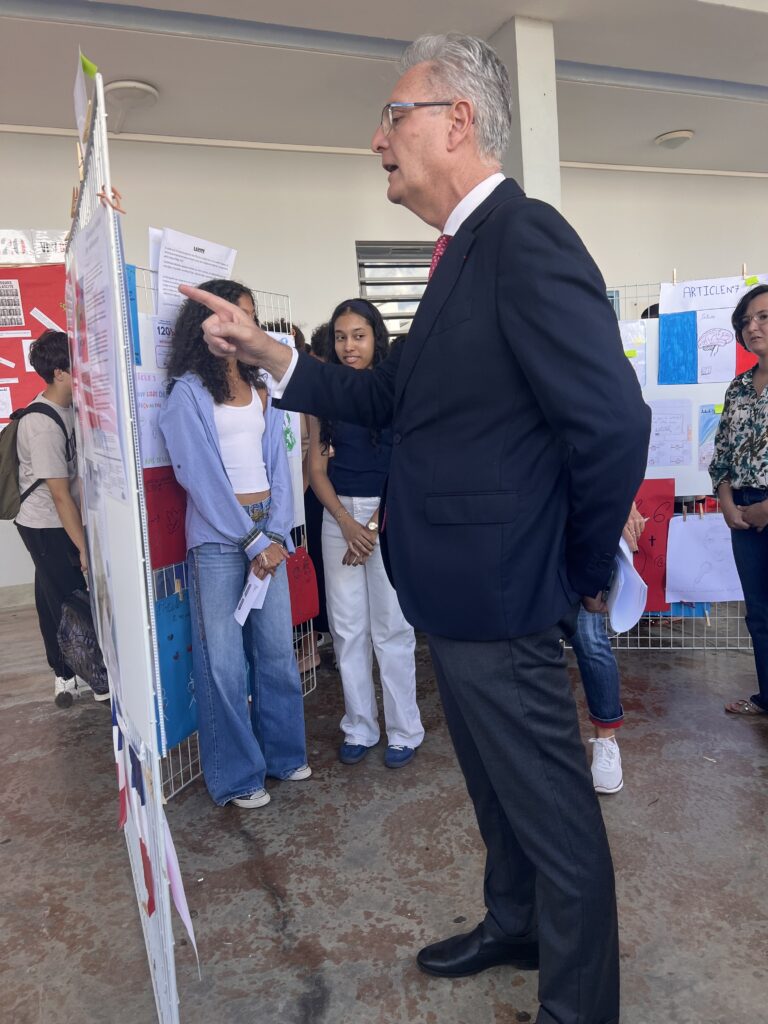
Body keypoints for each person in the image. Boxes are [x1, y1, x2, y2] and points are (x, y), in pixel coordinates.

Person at [180, 33, 650, 1024]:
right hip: (458, 591)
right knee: (496, 792)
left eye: (393, 117)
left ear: (457, 121)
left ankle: (581, 1004)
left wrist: (575, 569)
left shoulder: (525, 236)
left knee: (554, 812)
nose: (378, 140)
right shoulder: (456, 257)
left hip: (508, 592)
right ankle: (514, 921)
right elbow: (387, 394)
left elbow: (613, 422)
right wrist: (267, 350)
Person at [158, 279, 309, 810]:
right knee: (222, 664)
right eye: (231, 315)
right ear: (204, 325)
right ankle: (239, 776)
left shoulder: (262, 384)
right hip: (221, 539)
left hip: (268, 530)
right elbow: (197, 475)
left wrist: (275, 533)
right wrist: (249, 538)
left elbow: (280, 468)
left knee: (277, 653)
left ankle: (284, 755)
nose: (242, 325)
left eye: (249, 316)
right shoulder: (187, 393)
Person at [308, 298, 423, 767]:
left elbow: (406, 467)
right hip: (339, 519)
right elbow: (316, 471)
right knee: (347, 629)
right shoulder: (325, 395)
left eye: (358, 336)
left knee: (392, 628)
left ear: (377, 338)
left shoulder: (396, 391)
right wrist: (346, 522)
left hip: (388, 517)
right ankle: (359, 726)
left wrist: (372, 526)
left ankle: (404, 731)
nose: (349, 346)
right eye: (340, 337)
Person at [15, 329, 98, 708]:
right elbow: (60, 495)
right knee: (69, 597)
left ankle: (63, 671)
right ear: (60, 373)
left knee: (49, 592)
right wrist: (83, 548)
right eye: (77, 364)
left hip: (58, 517)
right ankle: (90, 675)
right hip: (43, 524)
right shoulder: (42, 424)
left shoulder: (71, 408)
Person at [709, 284, 768, 717]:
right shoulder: (739, 387)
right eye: (746, 320)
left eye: (764, 317)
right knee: (759, 614)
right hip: (744, 513)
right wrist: (727, 502)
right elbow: (723, 456)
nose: (753, 326)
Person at [570, 502, 646, 794]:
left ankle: (606, 740)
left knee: (590, 641)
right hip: (530, 535)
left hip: (577, 535)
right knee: (530, 645)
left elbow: (607, 478)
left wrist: (626, 503)